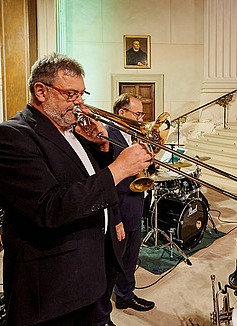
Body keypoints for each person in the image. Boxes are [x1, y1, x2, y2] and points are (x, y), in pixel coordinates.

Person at [0, 53, 152, 326]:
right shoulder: (10, 136)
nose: (80, 103)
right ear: (41, 91)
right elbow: (49, 207)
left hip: (93, 267)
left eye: (82, 94)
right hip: (56, 285)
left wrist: (102, 149)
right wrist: (119, 169)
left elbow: (87, 181)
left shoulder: (71, 131)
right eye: (71, 94)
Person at [96, 94, 155, 323]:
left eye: (142, 115)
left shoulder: (134, 136)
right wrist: (116, 217)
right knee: (112, 262)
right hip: (119, 208)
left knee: (130, 257)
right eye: (137, 114)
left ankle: (125, 295)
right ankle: (101, 314)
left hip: (136, 202)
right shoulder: (107, 136)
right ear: (122, 113)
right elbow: (105, 178)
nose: (141, 119)